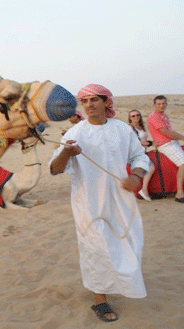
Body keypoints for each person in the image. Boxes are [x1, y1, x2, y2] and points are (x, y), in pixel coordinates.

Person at [49, 84, 148, 322]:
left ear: (106, 102)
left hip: (122, 198)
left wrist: (136, 176)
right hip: (89, 202)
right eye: (84, 101)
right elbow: (54, 169)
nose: (89, 105)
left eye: (94, 99)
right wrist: (66, 153)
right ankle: (99, 300)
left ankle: (125, 285)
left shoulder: (122, 129)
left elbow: (139, 156)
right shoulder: (75, 133)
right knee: (96, 247)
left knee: (130, 242)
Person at [146, 95, 184, 202]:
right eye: (158, 104)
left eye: (163, 103)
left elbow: (171, 132)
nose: (161, 106)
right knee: (183, 163)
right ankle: (179, 193)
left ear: (166, 104)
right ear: (154, 105)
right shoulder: (154, 116)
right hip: (165, 145)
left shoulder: (164, 116)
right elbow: (165, 133)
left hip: (172, 142)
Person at [128, 109, 155, 201]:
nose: (136, 117)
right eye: (133, 116)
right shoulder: (130, 128)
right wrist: (150, 143)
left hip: (142, 152)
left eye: (137, 115)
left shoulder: (140, 127)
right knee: (151, 167)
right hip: (135, 153)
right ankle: (144, 190)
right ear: (130, 118)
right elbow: (135, 142)